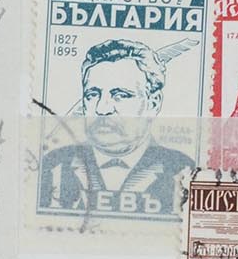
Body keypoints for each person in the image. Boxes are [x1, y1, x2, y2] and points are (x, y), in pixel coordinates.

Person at [38, 36, 194, 219]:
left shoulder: (183, 168)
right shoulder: (52, 165)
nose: (102, 109)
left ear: (153, 103)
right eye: (92, 95)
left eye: (120, 95)